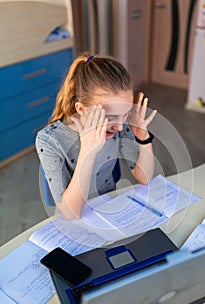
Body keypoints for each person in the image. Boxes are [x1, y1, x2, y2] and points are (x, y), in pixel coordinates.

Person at [36, 53, 157, 219]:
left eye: (125, 114)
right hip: (75, 217)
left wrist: (143, 137)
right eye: (111, 117)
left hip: (109, 208)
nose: (120, 126)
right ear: (81, 109)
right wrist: (88, 151)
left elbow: (144, 177)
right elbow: (71, 214)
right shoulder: (49, 140)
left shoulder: (118, 125)